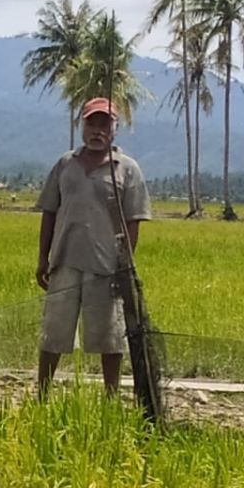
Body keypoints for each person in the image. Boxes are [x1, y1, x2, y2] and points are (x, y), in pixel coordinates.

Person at [35, 96, 152, 398]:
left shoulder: (127, 170)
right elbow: (49, 212)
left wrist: (124, 265)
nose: (97, 130)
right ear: (82, 126)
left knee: (109, 338)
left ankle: (110, 399)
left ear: (115, 129)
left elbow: (133, 222)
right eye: (91, 123)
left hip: (107, 267)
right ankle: (42, 395)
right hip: (65, 261)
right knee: (53, 334)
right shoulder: (65, 165)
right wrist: (42, 258)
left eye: (104, 124)